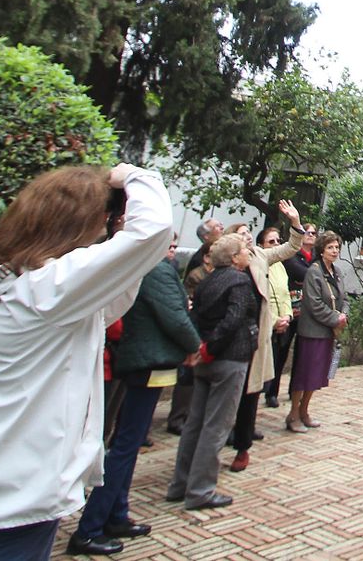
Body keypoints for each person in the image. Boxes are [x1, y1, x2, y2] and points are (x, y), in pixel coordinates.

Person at [0, 164, 172, 561]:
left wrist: (121, 248)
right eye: (101, 219)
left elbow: (106, 308)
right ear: (78, 225)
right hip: (8, 503)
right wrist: (136, 177)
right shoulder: (46, 290)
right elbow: (153, 231)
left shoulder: (19, 284)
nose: (104, 228)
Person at [68, 236, 200, 555]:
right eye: (169, 243)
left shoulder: (141, 265)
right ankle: (90, 526)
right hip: (148, 360)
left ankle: (116, 514)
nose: (172, 249)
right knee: (126, 444)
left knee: (129, 439)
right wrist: (195, 344)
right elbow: (174, 314)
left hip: (139, 357)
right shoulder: (156, 269)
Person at [166, 233, 255, 510]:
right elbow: (233, 319)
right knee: (216, 427)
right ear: (233, 258)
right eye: (243, 249)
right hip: (227, 359)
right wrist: (211, 348)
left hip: (205, 359)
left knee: (195, 423)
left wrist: (199, 348)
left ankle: (179, 485)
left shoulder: (206, 281)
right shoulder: (239, 280)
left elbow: (194, 316)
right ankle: (201, 491)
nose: (247, 252)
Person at [225, 202, 303, 471]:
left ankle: (242, 447)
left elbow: (290, 248)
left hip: (255, 335)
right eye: (243, 232)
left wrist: (294, 222)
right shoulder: (224, 263)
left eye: (249, 232)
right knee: (226, 395)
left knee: (250, 391)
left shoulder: (260, 256)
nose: (247, 235)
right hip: (228, 337)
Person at [166, 218, 223, 434]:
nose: (221, 229)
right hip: (197, 328)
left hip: (206, 329)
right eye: (217, 227)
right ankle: (179, 417)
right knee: (188, 376)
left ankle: (189, 414)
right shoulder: (197, 268)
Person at [288, 230, 347, 432]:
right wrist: (335, 319)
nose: (334, 251)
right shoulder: (314, 271)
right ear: (321, 250)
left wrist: (344, 315)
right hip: (312, 331)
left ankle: (305, 410)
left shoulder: (337, 272)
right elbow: (313, 303)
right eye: (330, 247)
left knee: (316, 375)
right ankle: (293, 413)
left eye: (337, 247)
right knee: (304, 374)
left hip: (328, 332)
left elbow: (344, 298)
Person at [265, 225, 317, 407]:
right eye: (308, 232)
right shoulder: (290, 257)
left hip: (307, 313)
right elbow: (307, 275)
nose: (311, 235)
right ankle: (271, 391)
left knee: (301, 354)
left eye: (314, 233)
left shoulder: (315, 257)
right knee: (281, 352)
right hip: (288, 312)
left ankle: (294, 389)